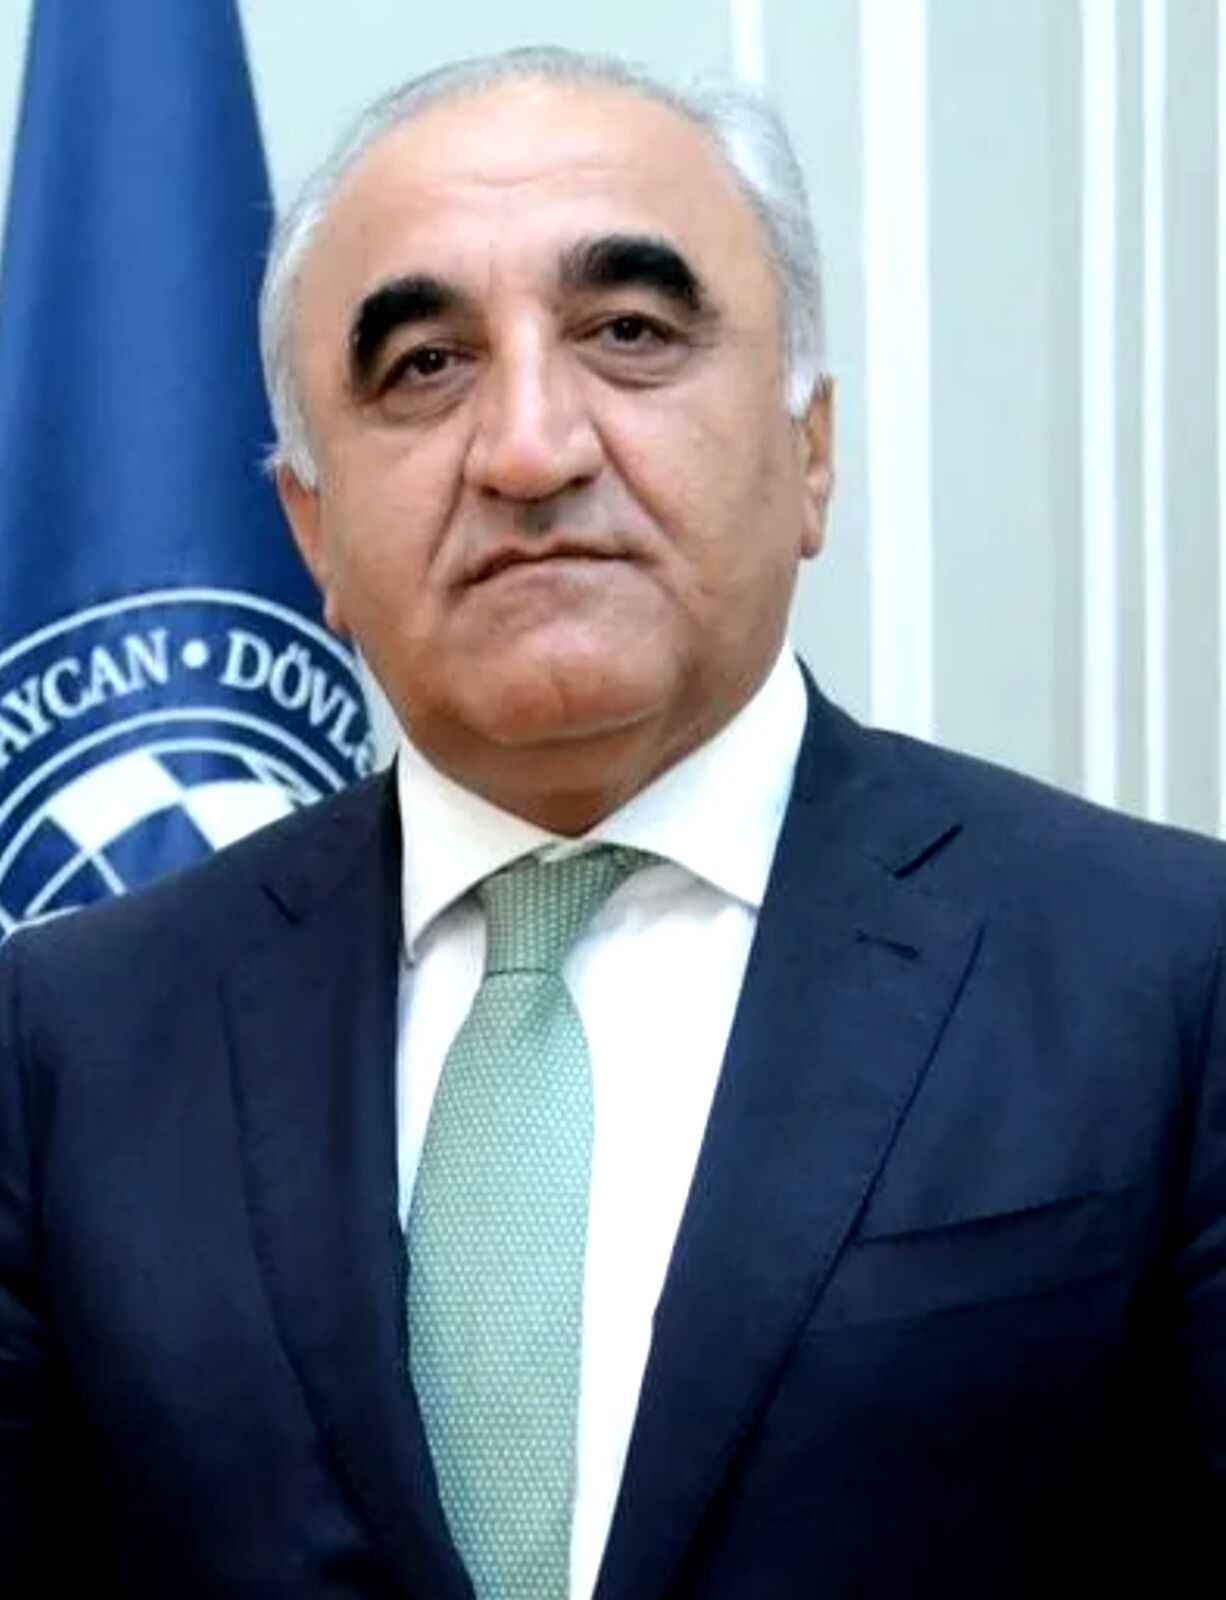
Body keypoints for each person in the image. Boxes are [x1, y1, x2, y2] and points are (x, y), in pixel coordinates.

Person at [1, 44, 1223, 1600]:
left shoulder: (1169, 978)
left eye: (629, 334)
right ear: (311, 530)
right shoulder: (71, 1041)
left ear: (810, 450)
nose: (529, 450)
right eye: (423, 366)